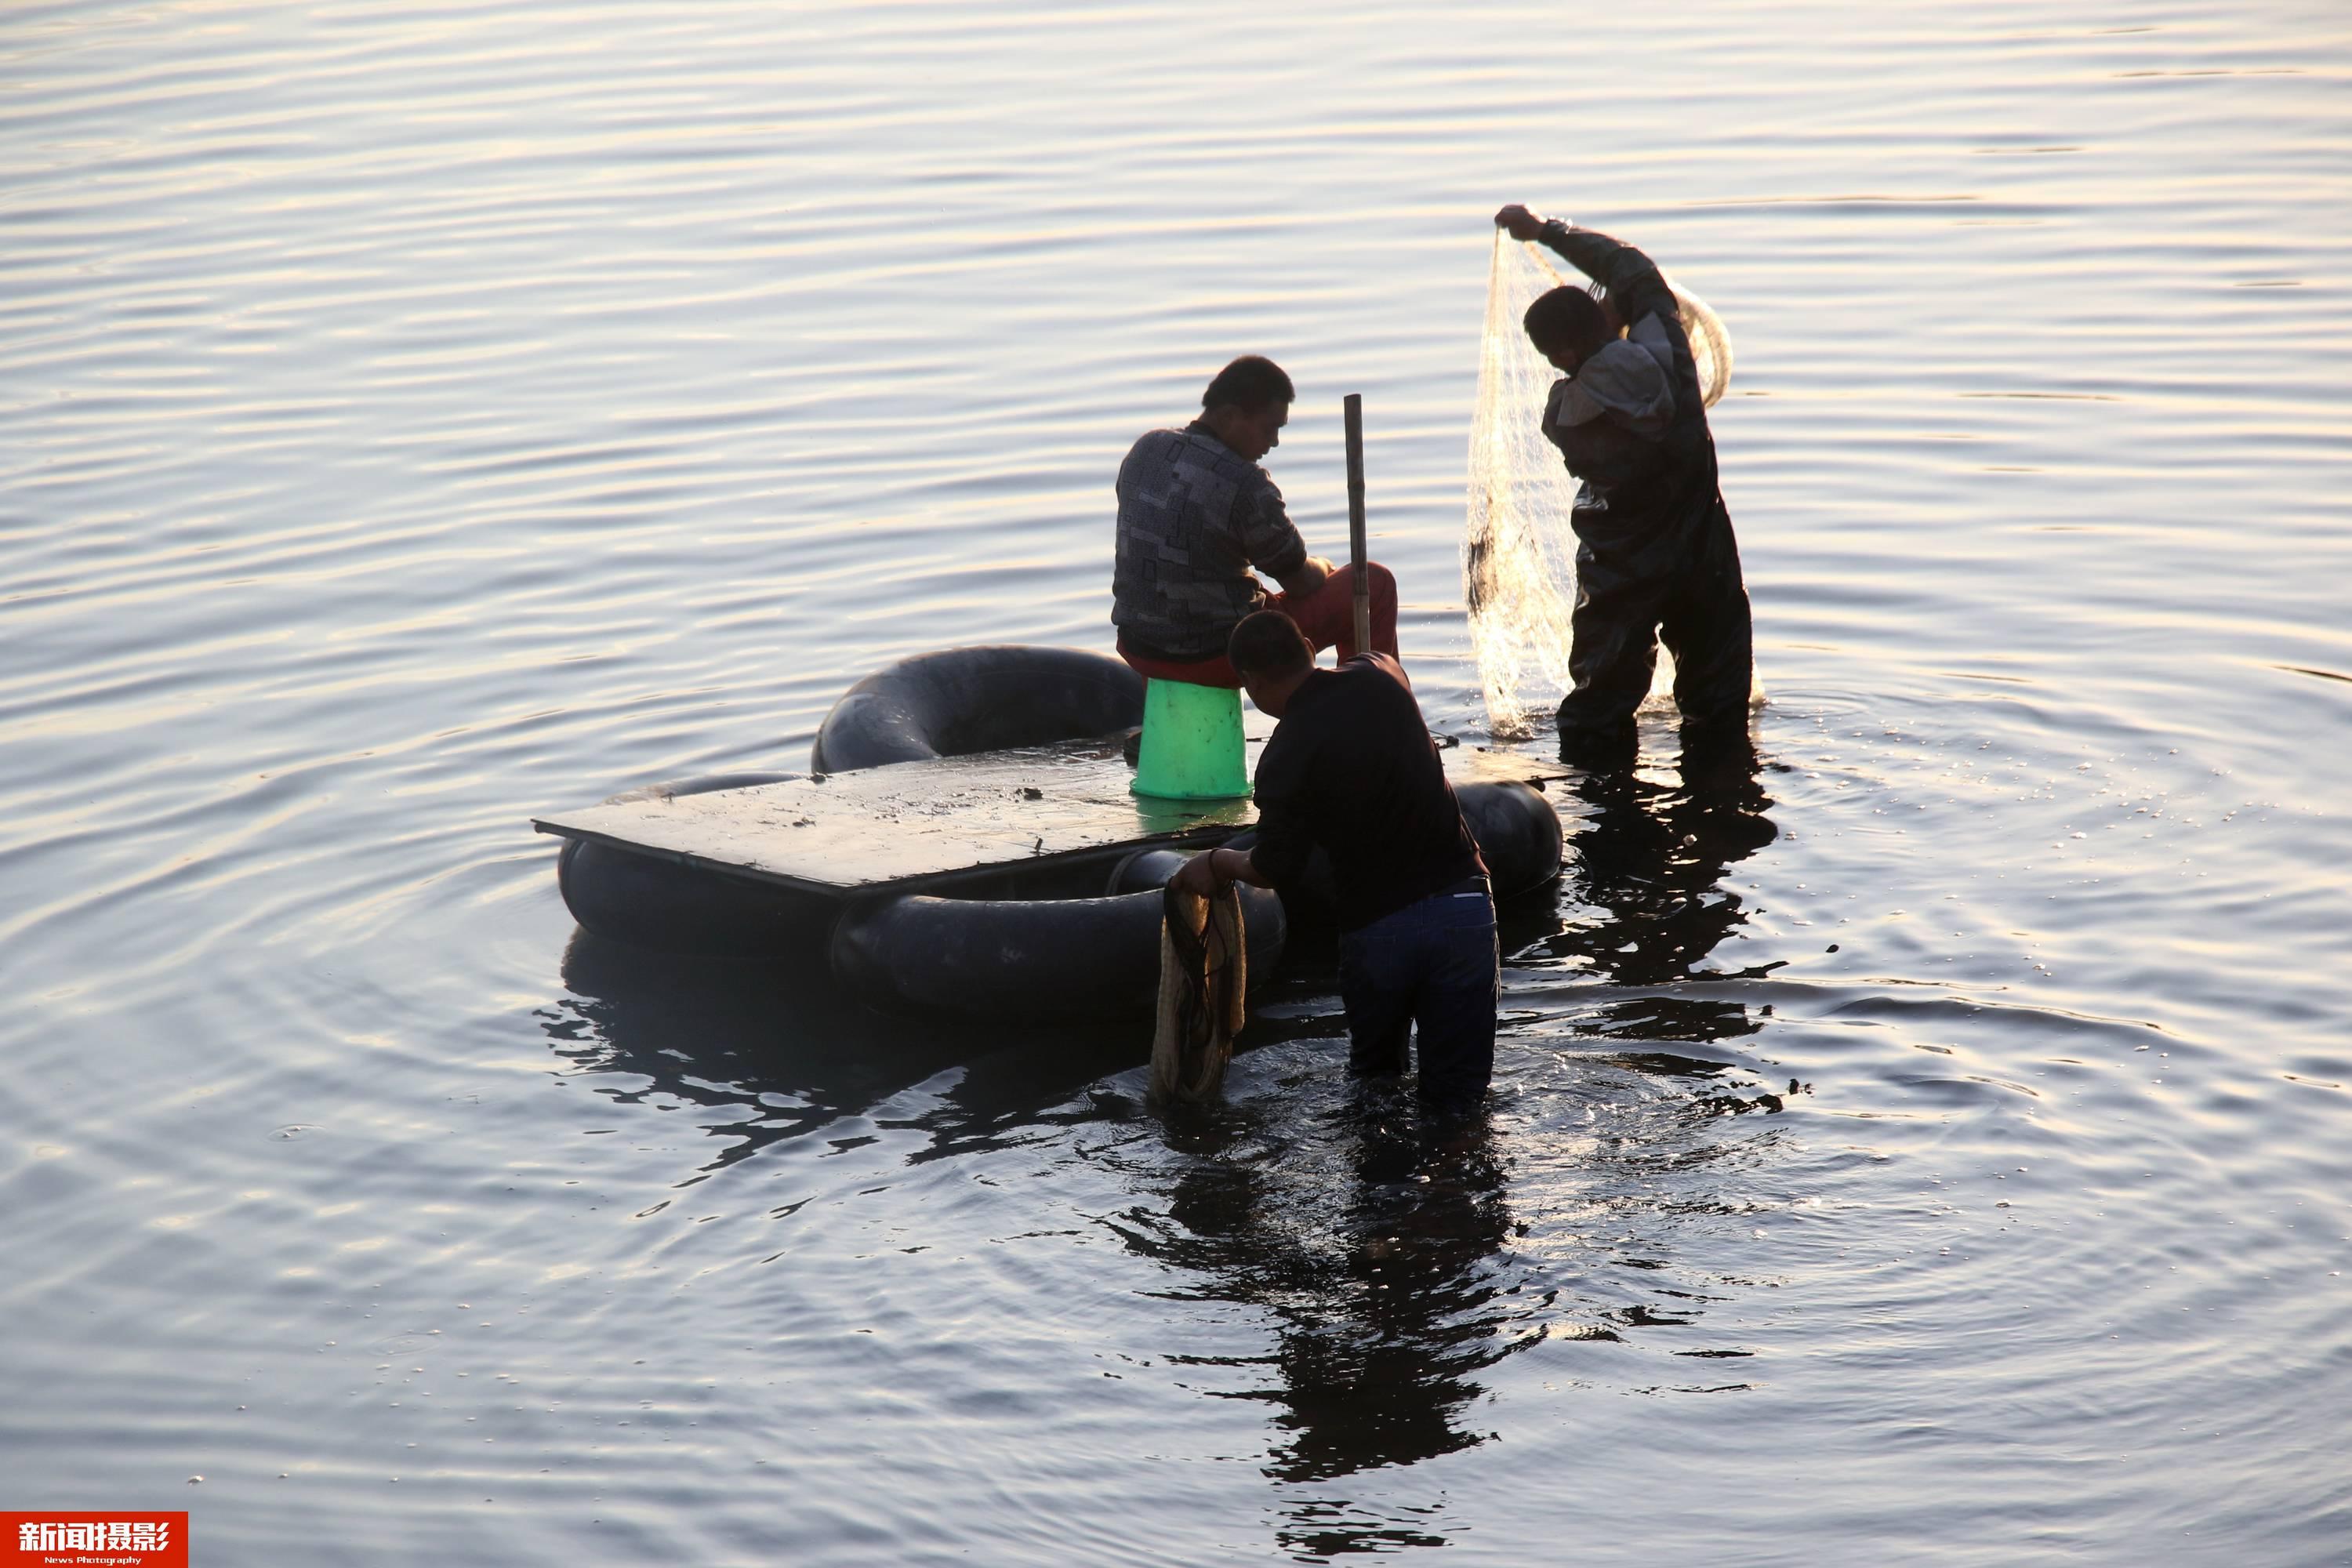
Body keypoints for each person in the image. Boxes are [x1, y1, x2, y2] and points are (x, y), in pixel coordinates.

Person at [1171, 609, 1497, 1115]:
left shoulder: (1282, 759)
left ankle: (1386, 1190)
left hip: (1379, 928)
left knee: (1378, 1093)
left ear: (1249, 682)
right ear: (1307, 644)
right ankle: (1457, 1182)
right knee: (1461, 1102)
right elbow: (1376, 656)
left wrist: (1219, 862)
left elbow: (1275, 867)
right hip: (1463, 907)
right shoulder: (1384, 675)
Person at [1494, 204, 1754, 760]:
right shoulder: (1671, 358)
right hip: (1702, 546)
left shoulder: (1569, 408)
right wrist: (1544, 230)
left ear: (1562, 353)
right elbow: (1631, 267)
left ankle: (1605, 811)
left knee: (1600, 705)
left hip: (1623, 565)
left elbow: (1574, 429)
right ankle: (1724, 793)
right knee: (1718, 694)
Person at [1112, 354, 1398, 688]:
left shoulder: (1146, 449)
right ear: (1230, 415)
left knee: (1246, 581)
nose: (1274, 442)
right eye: (1270, 427)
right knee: (1374, 583)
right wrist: (1324, 565)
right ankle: (1369, 702)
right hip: (1221, 655)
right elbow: (1301, 582)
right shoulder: (1246, 484)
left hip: (1139, 647)